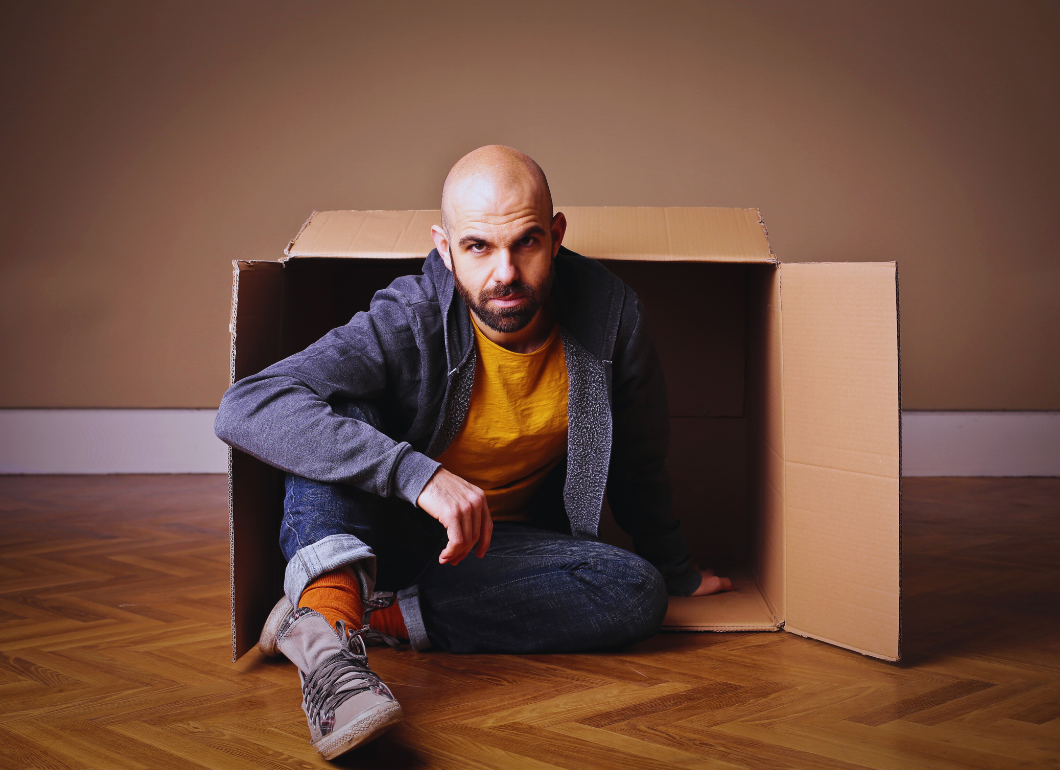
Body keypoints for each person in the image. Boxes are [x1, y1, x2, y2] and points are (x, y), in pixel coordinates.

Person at [214, 145, 729, 760]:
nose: (505, 272)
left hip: (494, 552)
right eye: (479, 247)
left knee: (639, 593)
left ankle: (364, 618)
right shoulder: (408, 316)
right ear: (445, 246)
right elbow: (247, 404)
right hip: (379, 527)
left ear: (556, 235)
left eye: (527, 243)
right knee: (340, 412)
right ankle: (330, 644)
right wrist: (416, 474)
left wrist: (675, 567)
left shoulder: (612, 316)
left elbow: (640, 458)